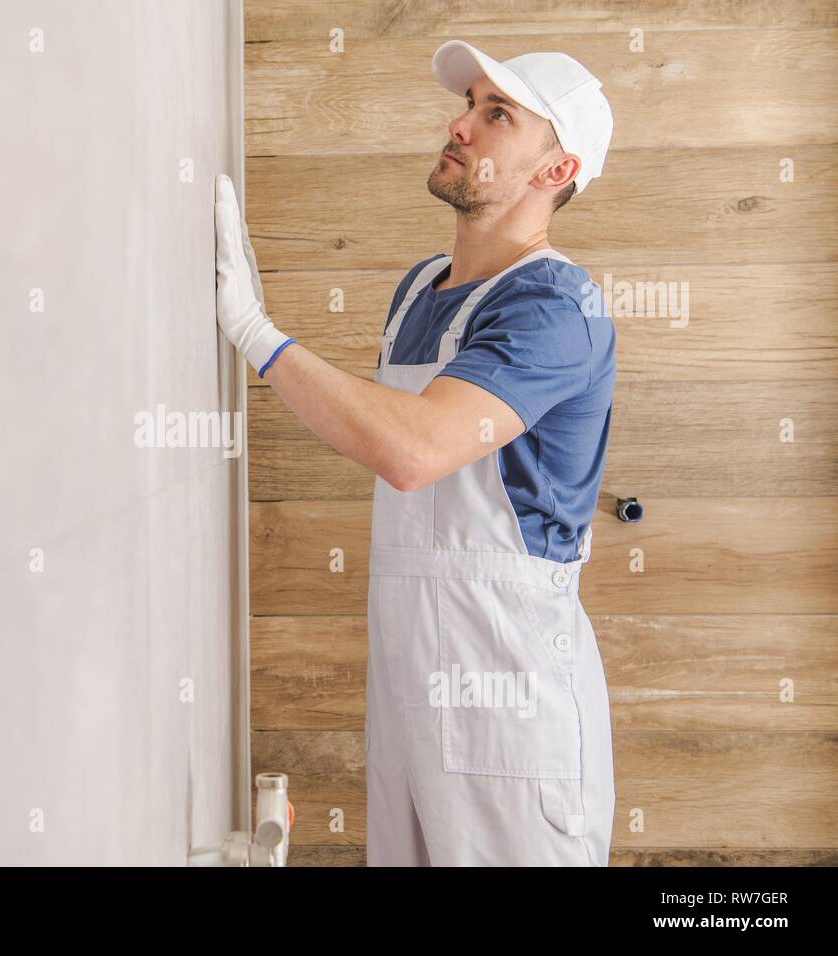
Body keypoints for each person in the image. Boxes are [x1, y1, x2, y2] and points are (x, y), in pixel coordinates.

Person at [214, 41, 618, 866]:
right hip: (411, 675)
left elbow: (415, 450)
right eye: (470, 103)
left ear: (556, 169)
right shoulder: (421, 287)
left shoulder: (554, 305)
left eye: (496, 114)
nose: (459, 124)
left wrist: (255, 333)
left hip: (507, 687)